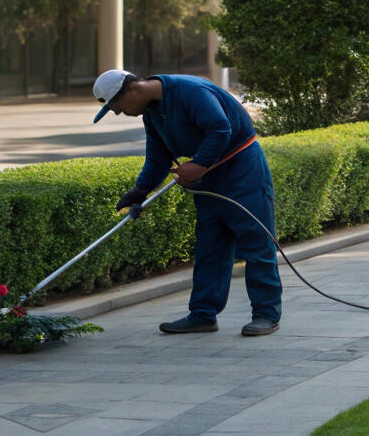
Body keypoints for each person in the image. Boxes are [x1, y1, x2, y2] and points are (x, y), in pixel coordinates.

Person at [93, 68, 282, 336]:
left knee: (256, 243)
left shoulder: (190, 91)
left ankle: (266, 314)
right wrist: (140, 190)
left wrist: (198, 165)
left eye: (117, 107)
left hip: (242, 171)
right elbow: (158, 157)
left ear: (133, 90)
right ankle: (203, 315)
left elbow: (219, 128)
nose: (119, 113)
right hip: (208, 178)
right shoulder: (152, 113)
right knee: (210, 247)